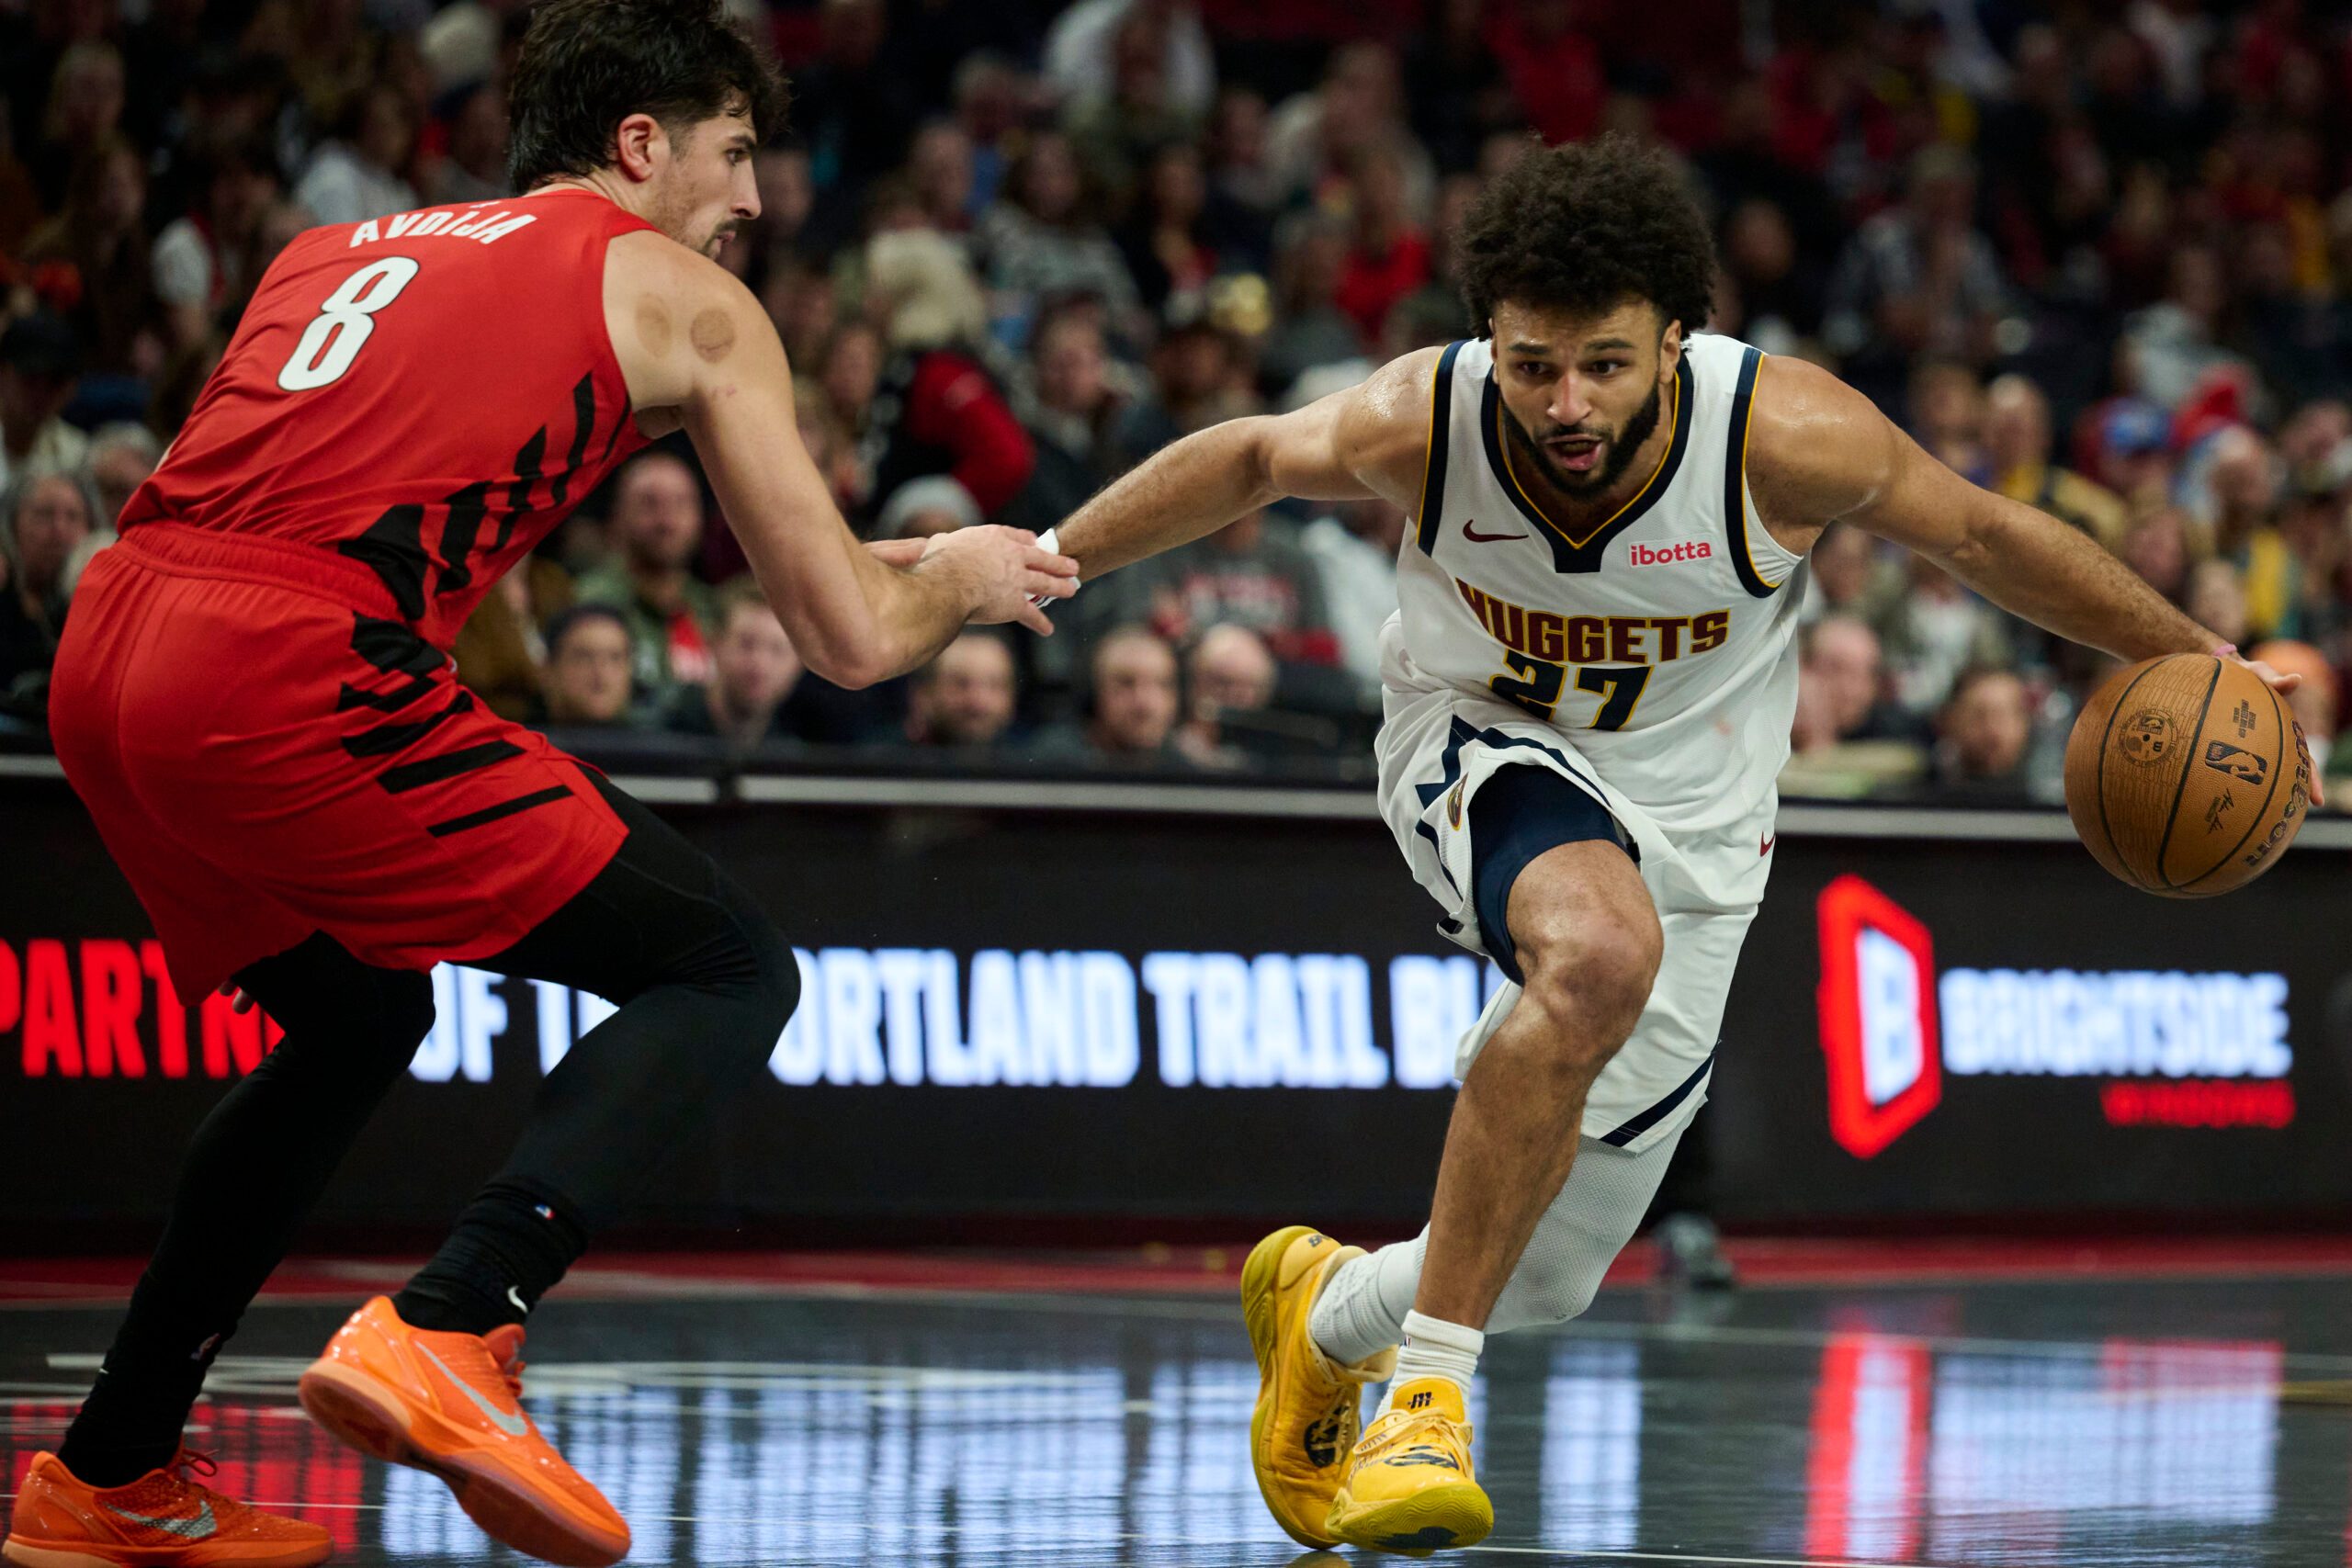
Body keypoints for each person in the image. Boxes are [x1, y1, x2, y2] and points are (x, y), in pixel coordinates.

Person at [1037, 133, 2311, 1555]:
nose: (1564, 402)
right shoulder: (1429, 420)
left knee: (1555, 1265)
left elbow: (1990, 537)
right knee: (1595, 951)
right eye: (1531, 364)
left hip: (1700, 826)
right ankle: (1426, 1405)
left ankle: (1326, 1312)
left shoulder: (1786, 436)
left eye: (1602, 362)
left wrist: (2206, 653)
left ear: (1674, 341)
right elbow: (1255, 459)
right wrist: (1045, 559)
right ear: (1489, 345)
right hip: (1478, 742)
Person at [13, 5, 1074, 1566]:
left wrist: (869, 563)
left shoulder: (337, 243)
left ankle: (108, 1471)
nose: (756, 203)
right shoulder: (684, 293)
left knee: (361, 1015)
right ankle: (457, 1320)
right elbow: (847, 642)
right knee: (726, 966)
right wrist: (965, 579)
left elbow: (375, 460)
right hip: (291, 665)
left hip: (112, 639)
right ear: (639, 144)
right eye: (732, 154)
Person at [571, 450, 722, 691]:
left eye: (681, 504)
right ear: (618, 516)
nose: (667, 522)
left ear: (700, 518)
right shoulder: (586, 603)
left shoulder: (713, 611)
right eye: (649, 504)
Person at [904, 629, 1017, 749]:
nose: (978, 701)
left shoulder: (1031, 760)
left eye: (995, 685)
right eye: (960, 684)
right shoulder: (885, 758)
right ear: (923, 694)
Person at [534, 603, 640, 728]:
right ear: (548, 670)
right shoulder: (516, 742)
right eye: (584, 657)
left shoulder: (656, 742)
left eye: (615, 658)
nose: (601, 672)